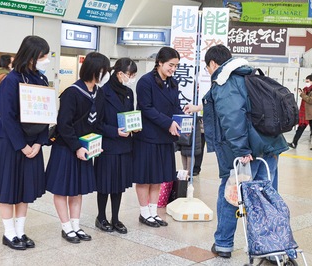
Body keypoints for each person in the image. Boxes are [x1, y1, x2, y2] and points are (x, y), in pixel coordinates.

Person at [184, 44, 288, 259]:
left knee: (231, 194)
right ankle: (269, 247)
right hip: (268, 146)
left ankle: (223, 243)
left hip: (246, 152)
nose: (209, 72)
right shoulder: (249, 75)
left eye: (207, 68)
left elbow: (232, 117)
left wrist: (241, 150)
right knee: (265, 196)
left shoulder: (226, 81)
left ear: (213, 64)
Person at [0, 35, 51, 250]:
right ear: (31, 56)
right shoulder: (11, 80)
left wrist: (39, 143)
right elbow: (9, 117)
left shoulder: (40, 80)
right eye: (43, 56)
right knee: (8, 189)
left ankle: (21, 231)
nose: (46, 60)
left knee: (25, 190)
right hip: (11, 145)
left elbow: (46, 114)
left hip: (33, 144)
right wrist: (22, 145)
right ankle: (9, 233)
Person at [45, 52, 110, 244]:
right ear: (95, 70)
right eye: (104, 70)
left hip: (85, 149)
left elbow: (97, 122)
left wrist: (97, 143)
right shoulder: (72, 92)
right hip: (67, 148)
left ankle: (76, 225)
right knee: (62, 190)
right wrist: (77, 147)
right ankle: (66, 227)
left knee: (77, 190)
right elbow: (64, 125)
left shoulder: (99, 93)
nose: (106, 74)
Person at [133, 47, 182, 227]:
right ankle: (144, 213)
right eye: (171, 65)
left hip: (165, 138)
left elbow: (176, 106)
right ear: (160, 62)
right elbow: (146, 108)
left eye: (176, 66)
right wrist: (168, 123)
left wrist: (181, 121)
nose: (173, 69)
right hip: (148, 137)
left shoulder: (173, 83)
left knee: (158, 177)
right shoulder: (145, 82)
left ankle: (153, 212)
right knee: (145, 177)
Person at [94, 58, 137, 234]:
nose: (132, 78)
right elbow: (97, 123)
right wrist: (114, 131)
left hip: (125, 146)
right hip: (108, 146)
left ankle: (116, 218)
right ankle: (101, 217)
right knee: (105, 184)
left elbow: (131, 115)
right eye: (130, 75)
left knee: (118, 185)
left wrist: (134, 127)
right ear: (120, 73)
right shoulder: (103, 92)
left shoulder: (128, 93)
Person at [287, 75, 312, 149]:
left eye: (308, 81)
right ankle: (294, 143)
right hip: (304, 114)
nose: (306, 83)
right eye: (306, 81)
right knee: (300, 129)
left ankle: (294, 143)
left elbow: (310, 100)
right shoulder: (305, 90)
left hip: (310, 114)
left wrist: (302, 94)